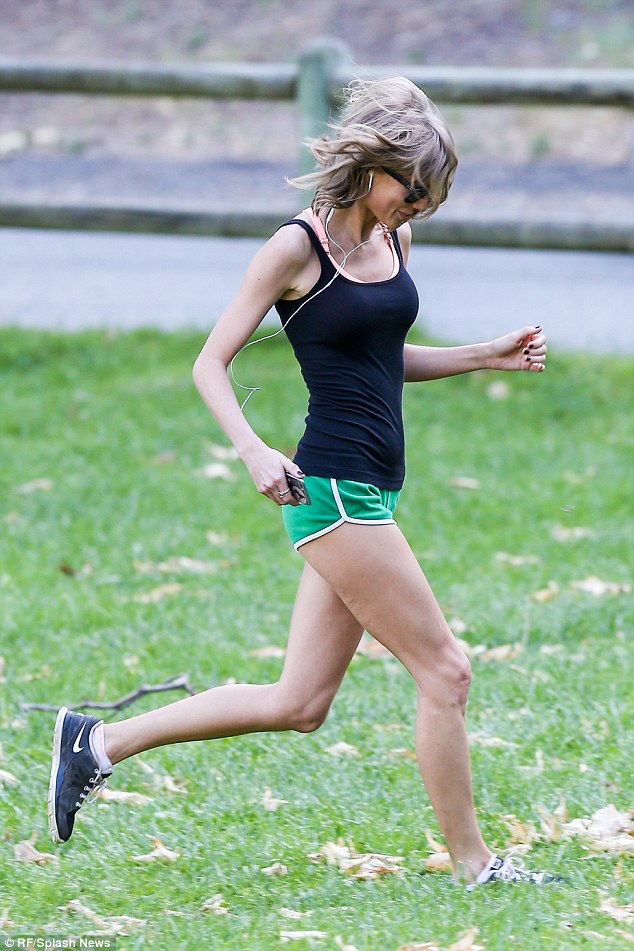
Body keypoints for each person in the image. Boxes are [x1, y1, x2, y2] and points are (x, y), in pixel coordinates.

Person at [49, 77, 558, 887]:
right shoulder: (296, 249)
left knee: (300, 701)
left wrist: (480, 354)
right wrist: (253, 450)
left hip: (375, 491)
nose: (418, 205)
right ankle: (475, 865)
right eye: (411, 187)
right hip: (332, 492)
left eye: (430, 195)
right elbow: (209, 362)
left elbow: (377, 359)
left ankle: (97, 743)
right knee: (447, 670)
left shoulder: (395, 240)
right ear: (372, 163)